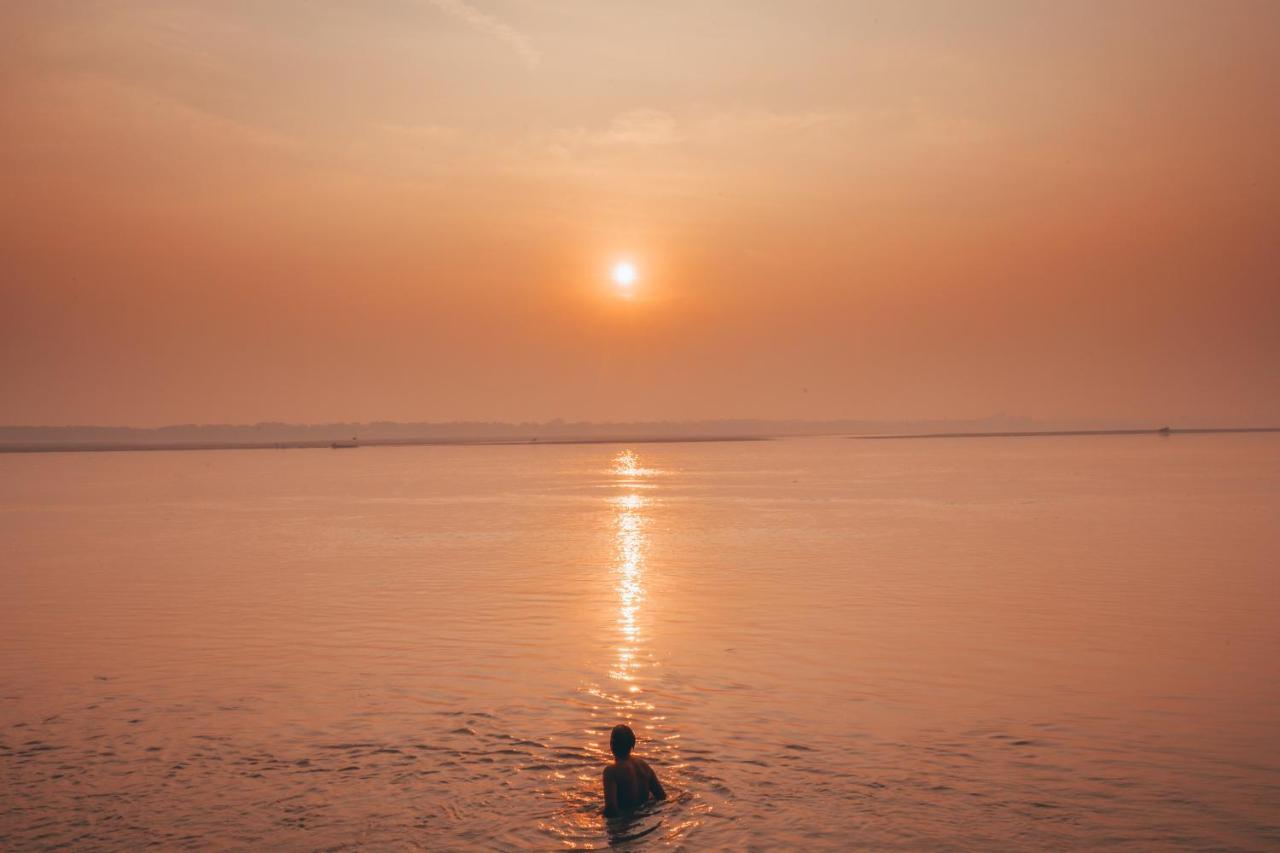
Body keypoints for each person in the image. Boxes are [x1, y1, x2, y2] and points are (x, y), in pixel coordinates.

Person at [602, 723, 666, 817]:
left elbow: (611, 810)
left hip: (624, 825)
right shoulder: (643, 765)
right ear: (632, 744)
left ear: (612, 744)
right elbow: (661, 796)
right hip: (643, 820)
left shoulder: (611, 771)